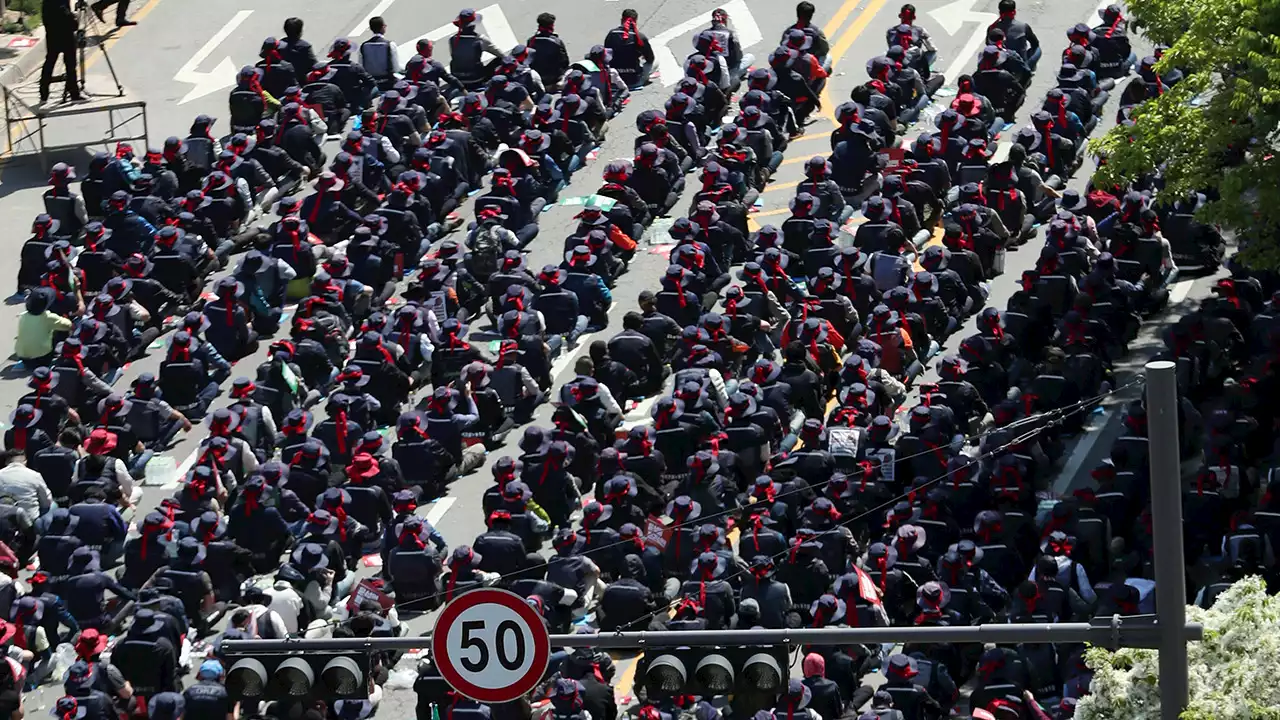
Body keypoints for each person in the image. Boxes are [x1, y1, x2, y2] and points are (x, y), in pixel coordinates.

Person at [15, 289, 74, 369]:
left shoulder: (23, 315)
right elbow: (69, 325)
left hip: (23, 356)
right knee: (58, 331)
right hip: (42, 359)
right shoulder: (48, 317)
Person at [39, 0, 81, 102]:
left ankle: (44, 92)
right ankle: (74, 92)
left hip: (52, 34)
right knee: (70, 64)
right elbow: (64, 13)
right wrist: (74, 19)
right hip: (64, 34)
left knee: (50, 61)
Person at [0, 450, 52, 522]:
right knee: (53, 505)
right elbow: (47, 501)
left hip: (4, 520)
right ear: (25, 462)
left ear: (6, 462)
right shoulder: (34, 475)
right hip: (31, 520)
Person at [360, 16, 402, 90]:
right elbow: (396, 68)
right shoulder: (390, 45)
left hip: (370, 83)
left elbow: (361, 66)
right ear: (383, 27)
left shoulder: (363, 46)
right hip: (388, 82)